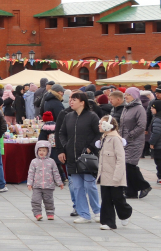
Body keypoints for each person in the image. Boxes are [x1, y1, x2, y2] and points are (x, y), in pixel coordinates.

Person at [57, 91, 101, 224]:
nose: (70, 101)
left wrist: (90, 147)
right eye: (70, 99)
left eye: (74, 99)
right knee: (77, 187)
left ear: (82, 102)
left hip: (87, 157)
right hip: (71, 156)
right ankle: (84, 214)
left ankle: (98, 212)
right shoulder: (68, 116)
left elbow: (99, 134)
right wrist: (64, 147)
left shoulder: (92, 116)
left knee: (89, 185)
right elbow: (61, 133)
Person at [96, 115, 132, 230]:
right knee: (106, 198)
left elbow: (120, 159)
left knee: (117, 198)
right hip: (105, 175)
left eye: (102, 123)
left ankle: (125, 213)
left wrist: (117, 176)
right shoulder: (104, 138)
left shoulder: (116, 139)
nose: (99, 125)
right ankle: (108, 222)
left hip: (115, 175)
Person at [119, 87, 150, 199]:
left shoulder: (139, 108)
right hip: (125, 141)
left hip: (134, 141)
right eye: (125, 94)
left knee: (129, 164)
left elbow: (141, 126)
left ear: (135, 96)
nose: (126, 96)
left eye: (128, 95)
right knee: (127, 165)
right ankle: (131, 191)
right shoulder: (126, 107)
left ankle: (144, 185)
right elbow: (122, 124)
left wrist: (129, 136)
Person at [27, 140, 64, 220]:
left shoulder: (51, 161)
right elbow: (31, 173)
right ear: (36, 150)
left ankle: (50, 213)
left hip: (48, 186)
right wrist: (30, 183)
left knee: (49, 201)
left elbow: (56, 173)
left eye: (44, 150)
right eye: (40, 150)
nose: (41, 152)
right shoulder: (34, 162)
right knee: (35, 200)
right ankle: (37, 214)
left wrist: (59, 182)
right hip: (37, 186)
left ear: (48, 151)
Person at [38, 111, 66, 182]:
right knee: (57, 163)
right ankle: (63, 177)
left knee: (50, 163)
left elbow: (41, 138)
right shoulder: (57, 125)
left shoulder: (45, 127)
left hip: (49, 147)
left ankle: (52, 178)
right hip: (57, 146)